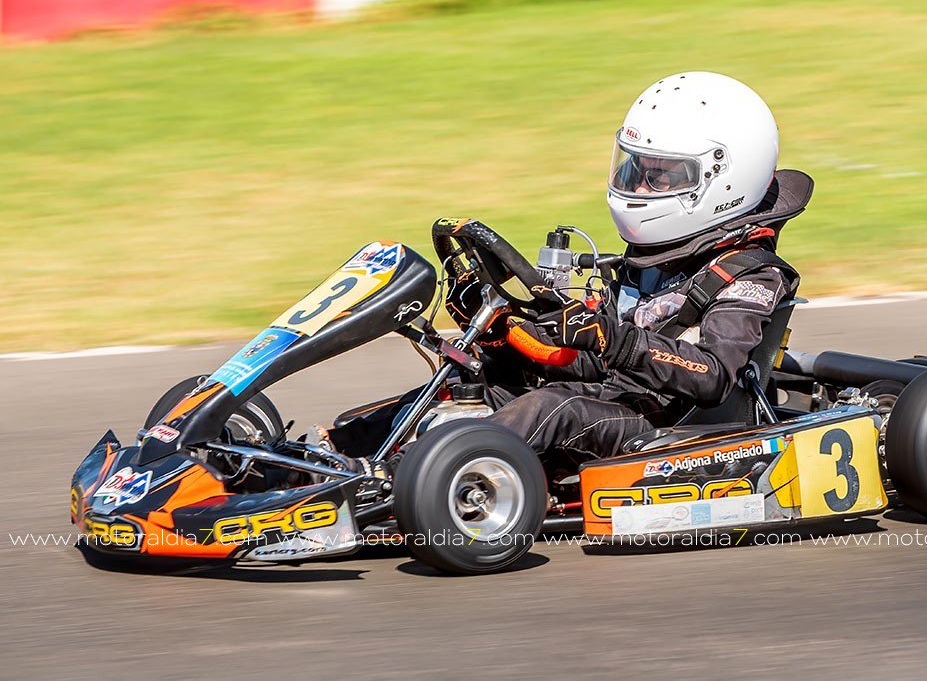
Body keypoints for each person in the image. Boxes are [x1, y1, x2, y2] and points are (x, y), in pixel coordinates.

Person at [325, 71, 812, 471]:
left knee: (550, 408)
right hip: (615, 397)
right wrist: (510, 334)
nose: (639, 186)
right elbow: (594, 362)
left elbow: (711, 376)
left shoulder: (749, 274)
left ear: (724, 177)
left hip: (676, 425)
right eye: (635, 168)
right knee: (472, 388)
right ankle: (324, 454)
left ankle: (400, 476)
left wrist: (613, 339)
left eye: (660, 174)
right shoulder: (650, 261)